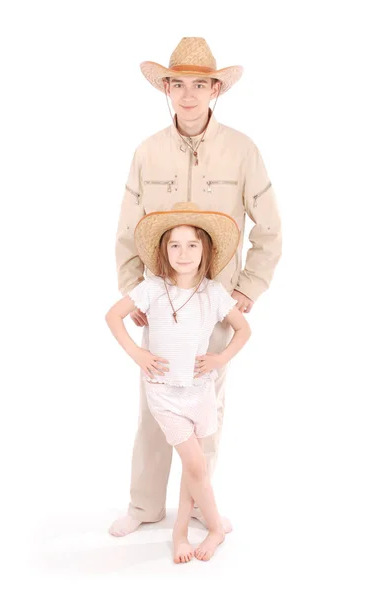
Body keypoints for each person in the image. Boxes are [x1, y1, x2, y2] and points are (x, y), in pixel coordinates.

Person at [111, 37, 282, 537]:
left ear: (215, 90)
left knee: (207, 409)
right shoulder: (147, 152)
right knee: (154, 405)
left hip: (215, 304)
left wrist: (248, 287)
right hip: (160, 305)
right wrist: (132, 288)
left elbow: (269, 228)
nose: (189, 96)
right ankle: (144, 506)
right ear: (166, 88)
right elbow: (127, 229)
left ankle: (200, 506)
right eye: (179, 85)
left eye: (200, 85)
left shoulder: (243, 150)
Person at [105, 202, 251, 562]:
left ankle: (184, 530)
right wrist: (138, 355)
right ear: (163, 251)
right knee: (196, 464)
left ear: (206, 250)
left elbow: (244, 329)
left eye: (192, 245)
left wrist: (220, 358)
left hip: (199, 391)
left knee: (194, 466)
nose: (183, 253)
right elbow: (112, 316)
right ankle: (203, 529)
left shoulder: (213, 293)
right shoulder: (152, 289)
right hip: (165, 395)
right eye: (175, 245)